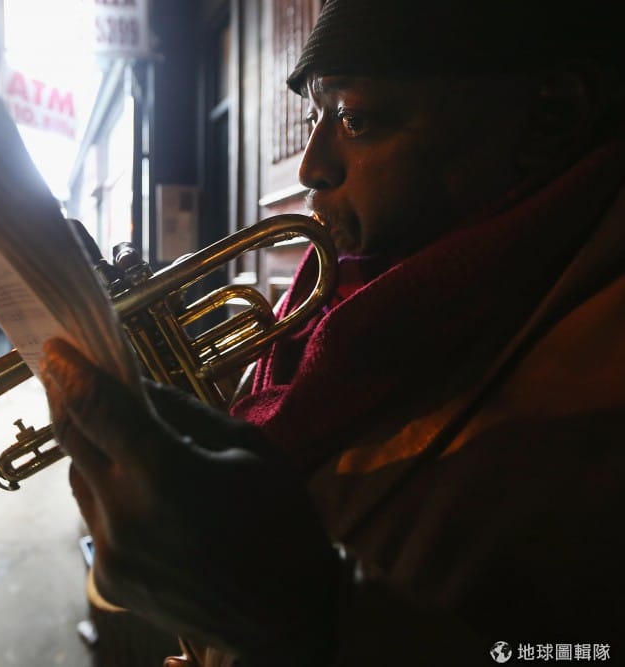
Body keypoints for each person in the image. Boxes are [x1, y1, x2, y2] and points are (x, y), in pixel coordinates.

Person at [39, 2, 624, 664]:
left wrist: (309, 617)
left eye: (355, 118)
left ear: (551, 115)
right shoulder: (334, 290)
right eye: (315, 116)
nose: (310, 166)